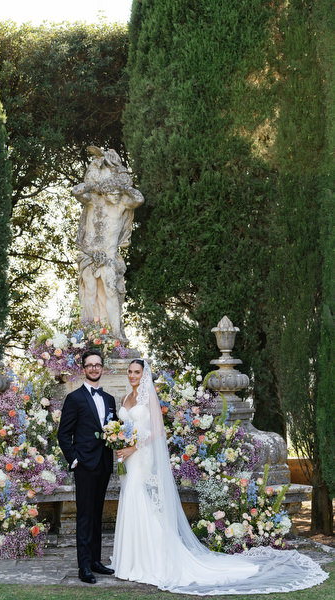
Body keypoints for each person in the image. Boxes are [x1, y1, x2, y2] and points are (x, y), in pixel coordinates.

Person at [111, 359, 328, 595]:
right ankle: (131, 560)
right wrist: (120, 442)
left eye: (137, 372)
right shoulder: (124, 399)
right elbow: (124, 428)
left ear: (144, 375)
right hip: (128, 460)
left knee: (143, 502)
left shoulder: (148, 398)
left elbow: (159, 431)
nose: (133, 376)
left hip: (142, 458)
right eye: (130, 372)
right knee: (132, 500)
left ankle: (152, 561)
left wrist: (134, 447)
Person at [57, 349, 117, 584]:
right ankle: (84, 567)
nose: (94, 368)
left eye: (97, 365)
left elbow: (113, 430)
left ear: (102, 368)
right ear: (83, 369)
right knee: (84, 516)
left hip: (103, 464)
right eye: (89, 365)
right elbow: (64, 434)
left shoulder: (110, 399)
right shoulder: (74, 398)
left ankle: (95, 561)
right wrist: (74, 459)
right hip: (84, 465)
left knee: (97, 515)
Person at [73, 146, 144, 340]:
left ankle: (116, 335)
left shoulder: (122, 204)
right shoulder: (94, 202)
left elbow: (139, 198)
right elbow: (76, 190)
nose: (115, 195)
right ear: (104, 192)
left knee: (112, 294)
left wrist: (124, 185)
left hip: (110, 257)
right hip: (89, 255)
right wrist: (93, 185)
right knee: (90, 294)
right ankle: (89, 336)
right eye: (110, 191)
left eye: (117, 192)